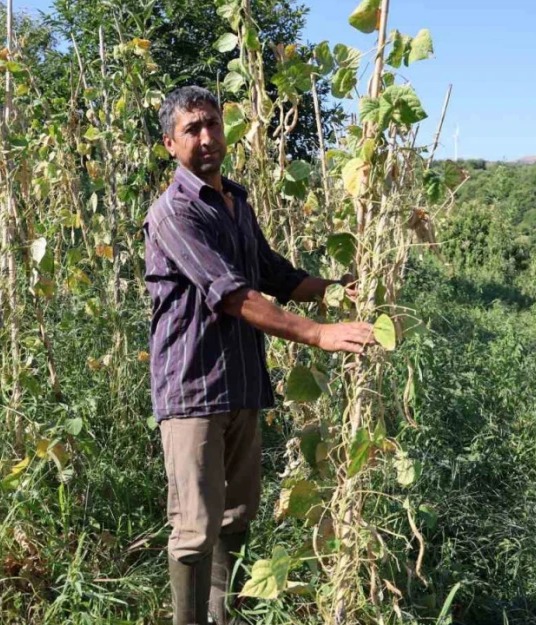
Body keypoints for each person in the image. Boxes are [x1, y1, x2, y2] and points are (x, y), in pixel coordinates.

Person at [143, 85, 375, 624]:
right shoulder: (175, 212)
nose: (206, 138)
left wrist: (336, 288)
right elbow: (230, 294)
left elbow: (271, 273)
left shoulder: (236, 201)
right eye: (191, 130)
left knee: (237, 514)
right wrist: (319, 333)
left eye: (213, 125)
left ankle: (221, 618)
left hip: (242, 383)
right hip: (193, 388)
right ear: (169, 144)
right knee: (194, 528)